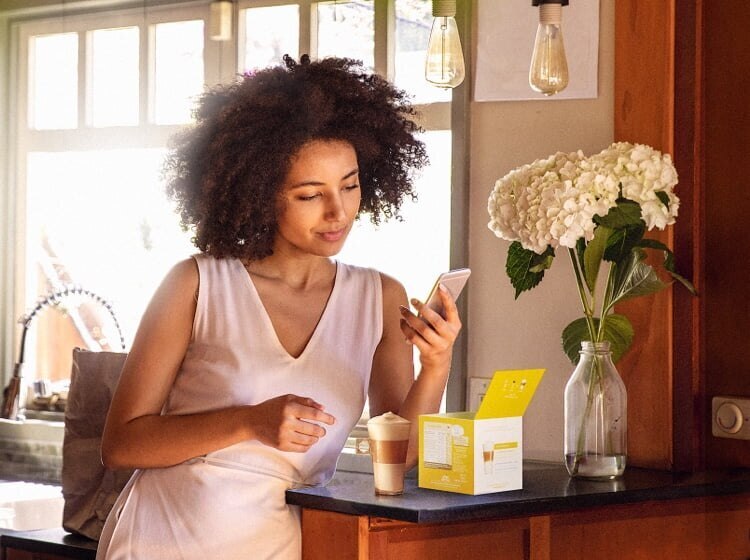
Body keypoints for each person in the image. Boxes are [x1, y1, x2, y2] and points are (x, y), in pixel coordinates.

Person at [96, 55, 462, 560]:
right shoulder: (197, 283)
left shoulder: (378, 298)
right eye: (310, 195)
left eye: (350, 185)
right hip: (167, 537)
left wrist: (436, 365)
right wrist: (249, 421)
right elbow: (121, 445)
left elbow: (401, 458)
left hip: (278, 544)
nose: (338, 212)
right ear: (261, 193)